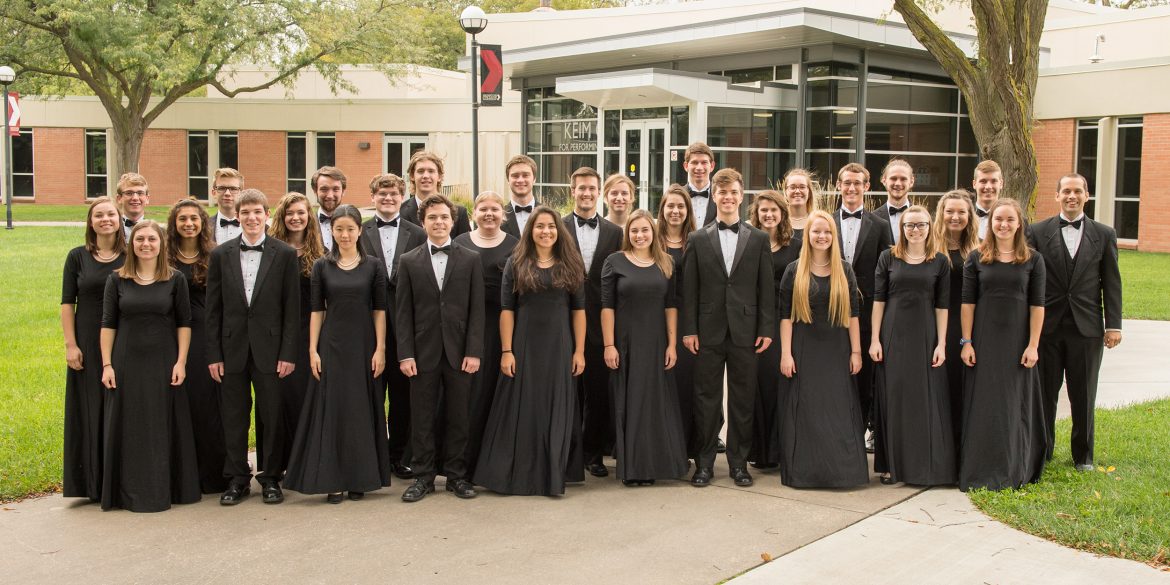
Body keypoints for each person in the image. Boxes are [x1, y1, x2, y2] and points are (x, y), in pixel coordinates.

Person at [475, 207, 587, 496]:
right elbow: (506, 311)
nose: (546, 231)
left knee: (555, 406)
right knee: (523, 407)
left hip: (560, 345)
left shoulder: (571, 262)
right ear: (530, 231)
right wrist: (507, 350)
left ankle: (551, 474)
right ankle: (521, 475)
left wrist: (580, 351)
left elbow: (579, 311)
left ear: (558, 231)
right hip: (524, 345)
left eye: (551, 226)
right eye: (540, 226)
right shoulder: (516, 262)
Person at [285, 204, 392, 503]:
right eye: (339, 229)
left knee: (360, 409)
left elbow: (379, 310)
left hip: (363, 345)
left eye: (350, 229)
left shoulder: (373, 266)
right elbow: (317, 311)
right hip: (331, 345)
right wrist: (312, 350)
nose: (344, 234)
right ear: (331, 231)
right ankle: (333, 480)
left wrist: (380, 348)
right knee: (333, 410)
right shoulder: (322, 266)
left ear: (359, 230)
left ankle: (360, 478)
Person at [681, 168, 775, 488]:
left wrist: (766, 328)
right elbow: (689, 290)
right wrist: (689, 329)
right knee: (706, 399)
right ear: (714, 196)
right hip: (707, 331)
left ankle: (738, 464)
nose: (728, 198)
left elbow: (766, 289)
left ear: (741, 195)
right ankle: (704, 464)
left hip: (746, 331)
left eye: (733, 192)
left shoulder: (759, 239)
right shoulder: (696, 239)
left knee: (742, 400)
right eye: (722, 193)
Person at [206, 189, 301, 506]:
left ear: (266, 214)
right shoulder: (221, 255)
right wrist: (214, 354)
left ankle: (271, 476)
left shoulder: (284, 254)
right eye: (244, 212)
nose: (251, 217)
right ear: (237, 216)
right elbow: (213, 310)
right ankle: (237, 477)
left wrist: (288, 353)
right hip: (231, 349)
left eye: (257, 212)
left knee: (270, 415)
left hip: (271, 350)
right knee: (234, 415)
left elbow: (292, 309)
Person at [99, 220, 200, 512]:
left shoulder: (175, 279)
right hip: (126, 361)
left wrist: (181, 361)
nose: (145, 244)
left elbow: (184, 323)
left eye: (152, 239)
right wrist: (107, 364)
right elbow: (108, 324)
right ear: (132, 244)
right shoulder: (117, 279)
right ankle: (126, 492)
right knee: (129, 424)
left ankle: (164, 489)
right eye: (140, 239)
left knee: (161, 423)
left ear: (161, 244)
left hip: (164, 361)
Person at [1027, 174, 1122, 472]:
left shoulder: (1104, 234)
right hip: (1047, 327)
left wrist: (1113, 325)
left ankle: (1083, 456)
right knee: (1045, 394)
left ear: (1087, 195)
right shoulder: (1037, 232)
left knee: (1083, 393)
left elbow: (1111, 282)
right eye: (1066, 191)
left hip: (1088, 328)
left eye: (1077, 191)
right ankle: (1043, 450)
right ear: (1056, 196)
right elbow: (1029, 281)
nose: (1072, 196)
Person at [396, 195, 486, 502]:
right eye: (432, 217)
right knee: (421, 416)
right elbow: (403, 312)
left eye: (444, 217)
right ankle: (423, 476)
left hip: (460, 350)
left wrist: (474, 350)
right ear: (423, 222)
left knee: (459, 415)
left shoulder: (471, 258)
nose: (439, 222)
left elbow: (477, 310)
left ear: (453, 220)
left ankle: (456, 475)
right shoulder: (409, 260)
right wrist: (405, 353)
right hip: (422, 352)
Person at [959, 199, 1048, 491]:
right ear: (991, 222)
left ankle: (1014, 468)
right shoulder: (975, 258)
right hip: (984, 343)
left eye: (1010, 220)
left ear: (1019, 223)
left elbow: (1037, 306)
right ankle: (980, 469)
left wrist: (1033, 345)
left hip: (1017, 345)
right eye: (999, 219)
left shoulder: (1033, 260)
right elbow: (967, 304)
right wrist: (967, 342)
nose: (1004, 225)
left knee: (1013, 404)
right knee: (984, 405)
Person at [777, 211, 868, 489]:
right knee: (807, 411)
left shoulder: (844, 269)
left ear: (834, 236)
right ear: (808, 235)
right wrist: (786, 353)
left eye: (827, 232)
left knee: (838, 410)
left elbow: (853, 314)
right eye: (816, 231)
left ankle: (841, 473)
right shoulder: (794, 270)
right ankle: (806, 473)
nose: (822, 236)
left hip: (837, 350)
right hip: (804, 349)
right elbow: (785, 316)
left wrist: (856, 352)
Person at [869, 205, 957, 486]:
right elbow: (879, 301)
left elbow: (943, 306)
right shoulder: (888, 257)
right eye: (909, 225)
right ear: (902, 228)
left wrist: (941, 344)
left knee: (924, 399)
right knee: (894, 399)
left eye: (920, 225)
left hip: (926, 336)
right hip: (893, 335)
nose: (915, 230)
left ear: (930, 227)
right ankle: (891, 465)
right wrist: (874, 339)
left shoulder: (940, 262)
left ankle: (923, 465)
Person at [601, 209, 688, 486]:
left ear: (653, 232)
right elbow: (607, 308)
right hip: (626, 343)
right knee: (629, 402)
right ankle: (632, 468)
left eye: (645, 230)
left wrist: (672, 344)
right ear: (628, 234)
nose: (640, 235)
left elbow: (671, 305)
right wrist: (609, 345)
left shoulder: (667, 262)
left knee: (655, 403)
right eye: (634, 231)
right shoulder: (614, 262)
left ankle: (653, 465)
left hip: (657, 343)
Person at [360, 173, 428, 479]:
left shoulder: (417, 233)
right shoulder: (359, 231)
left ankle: (401, 455)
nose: (388, 198)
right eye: (382, 193)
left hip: (406, 325)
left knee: (403, 395)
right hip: (367, 324)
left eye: (394, 193)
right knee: (371, 392)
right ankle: (373, 455)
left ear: (402, 197)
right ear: (372, 196)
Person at [61, 197, 126, 502]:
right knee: (90, 409)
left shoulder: (130, 255)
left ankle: (120, 479)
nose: (105, 219)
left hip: (123, 338)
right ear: (90, 222)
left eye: (110, 214)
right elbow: (66, 304)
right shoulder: (77, 257)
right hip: (86, 339)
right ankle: (91, 482)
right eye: (98, 215)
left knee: (119, 408)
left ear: (119, 218)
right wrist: (71, 345)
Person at [562, 166, 624, 479]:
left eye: (591, 188)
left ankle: (593, 453)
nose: (586, 193)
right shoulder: (557, 227)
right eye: (581, 188)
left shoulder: (615, 233)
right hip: (565, 321)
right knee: (568, 392)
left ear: (598, 192)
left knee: (599, 392)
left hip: (602, 322)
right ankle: (567, 454)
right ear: (572, 191)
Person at [454, 191, 520, 479]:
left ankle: (496, 462)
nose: (489, 214)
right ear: (474, 214)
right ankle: (464, 464)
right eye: (483, 209)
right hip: (466, 329)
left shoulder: (516, 246)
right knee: (469, 395)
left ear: (503, 215)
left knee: (497, 393)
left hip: (502, 327)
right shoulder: (459, 244)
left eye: (495, 209)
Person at [166, 200, 228, 495]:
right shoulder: (164, 256)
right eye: (182, 219)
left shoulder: (215, 255)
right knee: (179, 403)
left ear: (203, 222)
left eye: (194, 218)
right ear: (174, 224)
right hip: (171, 334)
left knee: (206, 404)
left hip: (205, 333)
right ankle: (180, 473)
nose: (189, 223)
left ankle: (212, 474)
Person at [834, 163, 893, 451]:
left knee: (863, 376)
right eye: (847, 183)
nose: (852, 188)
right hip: (829, 312)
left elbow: (887, 271)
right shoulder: (825, 222)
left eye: (858, 183)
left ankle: (858, 436)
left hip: (868, 313)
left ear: (867, 187)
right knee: (832, 375)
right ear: (838, 185)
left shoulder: (880, 226)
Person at [267, 192, 327, 469]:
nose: (295, 218)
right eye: (290, 213)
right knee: (281, 399)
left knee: (307, 396)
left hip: (311, 332)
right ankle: (280, 461)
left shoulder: (321, 254)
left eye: (301, 213)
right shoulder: (271, 251)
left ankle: (306, 459)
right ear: (281, 217)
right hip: (278, 333)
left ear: (309, 216)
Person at [746, 190, 801, 471]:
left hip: (790, 322)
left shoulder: (797, 246)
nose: (768, 215)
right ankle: (760, 451)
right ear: (756, 214)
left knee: (785, 386)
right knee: (760, 387)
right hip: (757, 324)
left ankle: (784, 449)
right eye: (763, 210)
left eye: (773, 210)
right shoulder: (749, 243)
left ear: (783, 213)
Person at [932, 189, 980, 453]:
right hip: (936, 327)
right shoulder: (929, 247)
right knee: (939, 388)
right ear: (941, 214)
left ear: (970, 216)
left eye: (961, 211)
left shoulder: (980, 249)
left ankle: (962, 449)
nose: (955, 216)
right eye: (949, 211)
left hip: (966, 330)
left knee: (962, 387)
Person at [656, 185, 698, 461]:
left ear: (688, 211)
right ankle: (661, 446)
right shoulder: (651, 240)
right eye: (670, 206)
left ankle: (686, 447)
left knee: (686, 385)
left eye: (681, 206)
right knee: (660, 385)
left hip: (688, 322)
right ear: (662, 210)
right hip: (654, 320)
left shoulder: (697, 242)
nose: (675, 211)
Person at [400, 151, 472, 237]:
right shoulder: (400, 212)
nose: (426, 176)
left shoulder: (459, 213)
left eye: (431, 171)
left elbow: (464, 248)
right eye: (420, 171)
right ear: (412, 176)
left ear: (439, 176)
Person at [872, 159, 914, 245]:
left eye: (903, 179)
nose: (898, 183)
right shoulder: (872, 219)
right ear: (884, 181)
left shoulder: (923, 218)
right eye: (893, 178)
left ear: (911, 182)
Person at [501, 155, 539, 238]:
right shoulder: (498, 216)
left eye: (525, 175)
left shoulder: (552, 215)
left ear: (534, 179)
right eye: (515, 176)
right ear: (508, 180)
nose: (520, 180)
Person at [682, 142, 717, 229]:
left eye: (704, 162)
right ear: (686, 166)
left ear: (712, 166)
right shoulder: (678, 195)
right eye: (694, 162)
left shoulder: (720, 196)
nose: (699, 168)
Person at [313, 166, 347, 250]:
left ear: (343, 192)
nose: (330, 196)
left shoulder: (354, 223)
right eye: (324, 189)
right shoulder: (306, 223)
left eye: (335, 189)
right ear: (315, 191)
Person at [209, 168, 244, 245]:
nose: (227, 193)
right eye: (222, 188)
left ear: (241, 193)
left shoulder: (257, 226)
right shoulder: (204, 226)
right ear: (214, 193)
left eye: (233, 189)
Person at [972, 160, 1003, 240]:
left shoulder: (1015, 220)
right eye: (983, 181)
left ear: (1001, 184)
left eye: (993, 181)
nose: (988, 186)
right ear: (974, 184)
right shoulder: (963, 217)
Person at [783, 168, 818, 234]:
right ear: (786, 191)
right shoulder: (778, 222)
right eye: (792, 187)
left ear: (809, 191)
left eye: (802, 187)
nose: (797, 191)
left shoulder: (818, 221)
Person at [116, 173, 150, 240]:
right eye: (129, 193)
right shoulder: (112, 230)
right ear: (119, 198)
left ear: (147, 199)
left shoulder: (156, 232)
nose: (135, 198)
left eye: (140, 193)